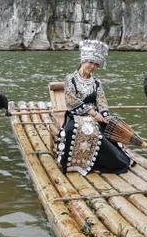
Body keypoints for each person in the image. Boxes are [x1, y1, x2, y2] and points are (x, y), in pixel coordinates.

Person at [55, 39, 133, 176]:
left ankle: (110, 161)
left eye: (96, 64)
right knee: (78, 130)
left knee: (109, 127)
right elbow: (71, 101)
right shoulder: (70, 79)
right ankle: (78, 163)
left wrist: (105, 115)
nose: (92, 66)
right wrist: (92, 113)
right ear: (83, 61)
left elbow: (102, 101)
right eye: (90, 62)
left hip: (95, 116)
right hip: (76, 115)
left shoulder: (97, 82)